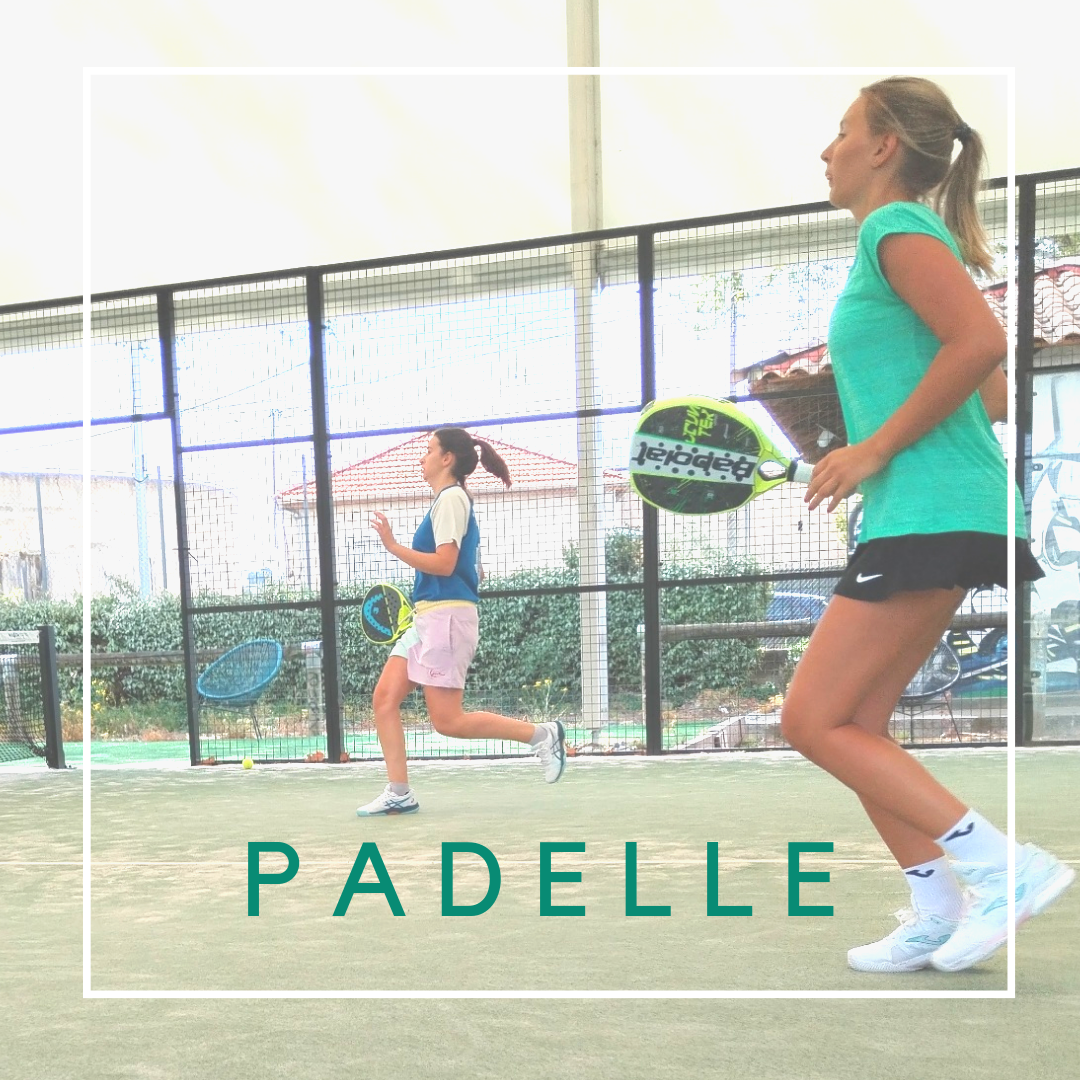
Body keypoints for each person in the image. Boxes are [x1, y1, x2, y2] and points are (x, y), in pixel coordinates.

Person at [784, 75, 1074, 973]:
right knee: (857, 724)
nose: (826, 149)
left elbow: (982, 347)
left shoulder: (895, 229)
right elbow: (991, 393)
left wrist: (874, 449)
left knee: (810, 720)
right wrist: (882, 446)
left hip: (930, 513)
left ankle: (1004, 867)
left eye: (842, 131)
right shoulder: (910, 237)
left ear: (883, 148)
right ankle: (938, 907)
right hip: (937, 507)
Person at [356, 427, 567, 816]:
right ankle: (399, 792)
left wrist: (393, 546)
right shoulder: (448, 502)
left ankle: (542, 735)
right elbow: (472, 569)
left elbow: (445, 563)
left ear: (447, 458)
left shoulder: (452, 499)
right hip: (428, 618)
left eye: (429, 450)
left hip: (446, 620)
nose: (422, 457)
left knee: (448, 721)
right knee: (384, 698)